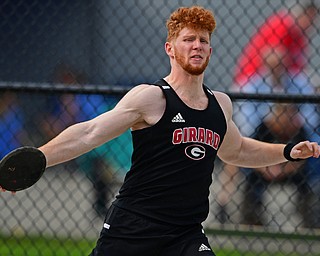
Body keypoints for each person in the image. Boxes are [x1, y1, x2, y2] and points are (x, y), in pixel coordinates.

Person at [1, 6, 320, 256]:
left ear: (210, 51)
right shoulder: (151, 97)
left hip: (186, 233)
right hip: (134, 227)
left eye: (203, 41)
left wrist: (287, 151)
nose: (197, 45)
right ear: (170, 48)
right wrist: (38, 158)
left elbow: (236, 150)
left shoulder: (220, 104)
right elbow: (89, 132)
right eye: (189, 39)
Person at [216, 1, 320, 225]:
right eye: (309, 18)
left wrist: (296, 125)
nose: (311, 24)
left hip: (289, 120)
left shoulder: (296, 77)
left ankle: (310, 210)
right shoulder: (283, 26)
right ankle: (223, 205)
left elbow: (309, 115)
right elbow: (248, 121)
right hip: (261, 117)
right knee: (237, 146)